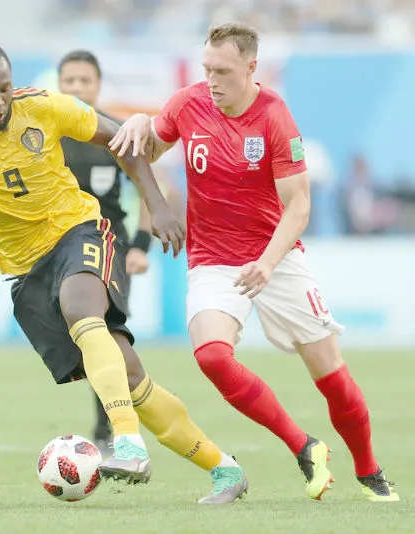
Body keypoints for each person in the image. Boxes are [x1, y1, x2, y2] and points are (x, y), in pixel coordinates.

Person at [0, 41, 247, 504]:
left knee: (81, 311)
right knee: (130, 377)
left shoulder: (44, 107)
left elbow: (125, 144)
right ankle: (224, 470)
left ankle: (127, 443)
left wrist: (158, 205)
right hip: (27, 271)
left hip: (78, 230)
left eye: (4, 89)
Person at [110, 23, 399, 502]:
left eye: (222, 71)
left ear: (250, 68)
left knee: (331, 376)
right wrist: (142, 125)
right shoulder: (187, 103)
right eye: (206, 69)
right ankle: (303, 446)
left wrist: (266, 263)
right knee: (212, 356)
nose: (212, 80)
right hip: (213, 260)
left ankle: (369, 471)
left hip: (277, 258)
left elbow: (299, 207)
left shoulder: (275, 118)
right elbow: (149, 152)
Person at [57, 49, 154, 454]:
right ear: (59, 85)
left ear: (97, 86)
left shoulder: (113, 133)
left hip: (112, 247)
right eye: (70, 81)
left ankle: (109, 431)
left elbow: (148, 187)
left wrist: (142, 244)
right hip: (60, 250)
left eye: (85, 81)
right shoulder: (47, 134)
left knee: (107, 337)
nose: (77, 88)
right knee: (81, 343)